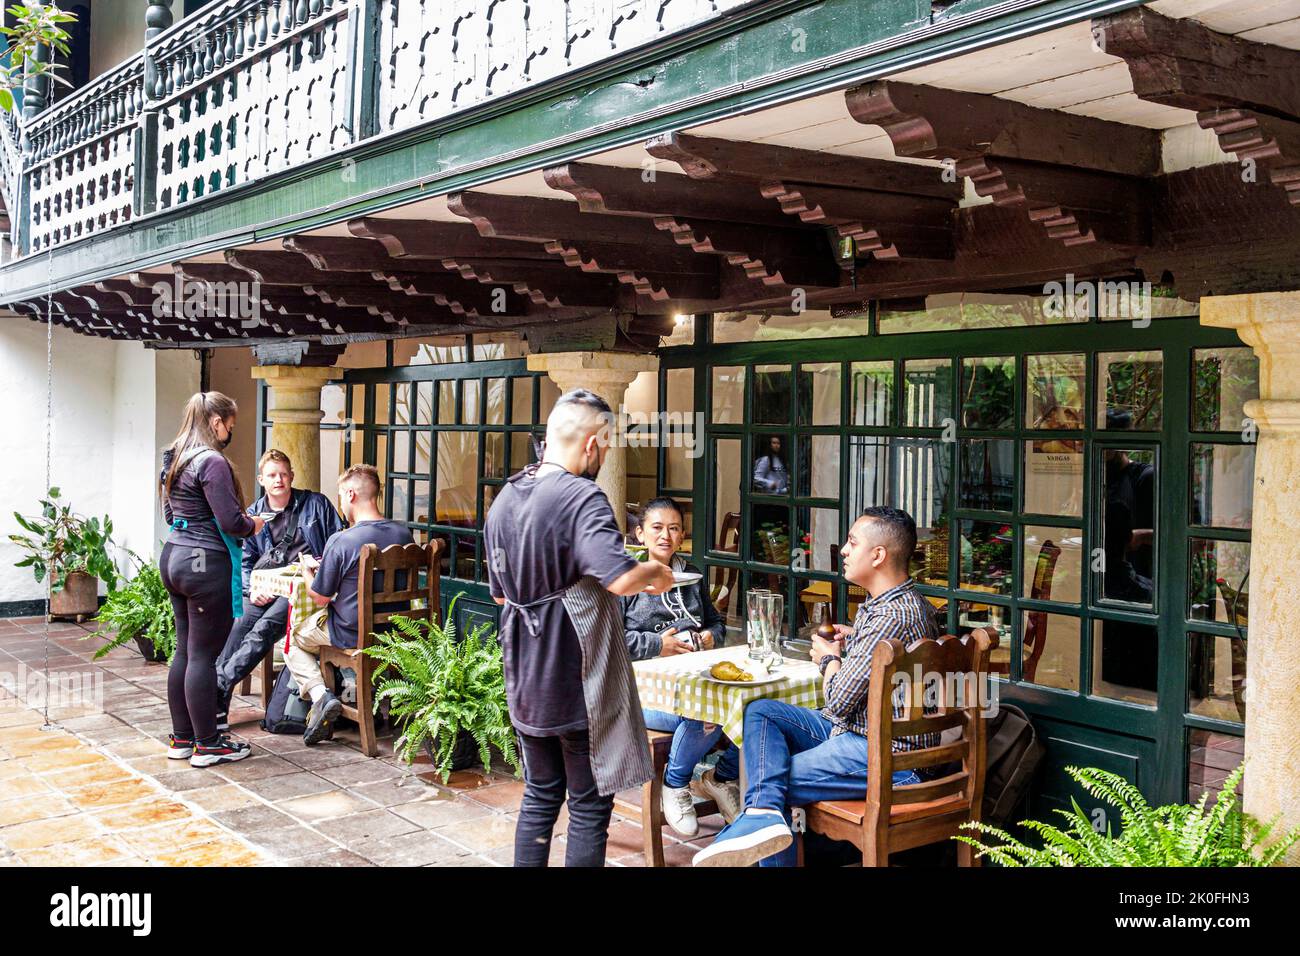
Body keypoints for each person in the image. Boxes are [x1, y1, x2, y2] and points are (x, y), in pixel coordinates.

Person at [484, 388, 675, 867]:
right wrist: (656, 573)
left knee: (541, 793)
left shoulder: (505, 496)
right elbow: (623, 578)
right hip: (576, 677)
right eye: (606, 446)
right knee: (589, 804)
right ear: (592, 444)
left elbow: (501, 595)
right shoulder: (580, 496)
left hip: (525, 675)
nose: (604, 456)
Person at [693, 506, 940, 867]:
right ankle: (762, 818)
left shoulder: (889, 617)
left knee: (770, 781)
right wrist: (857, 641)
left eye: (852, 542)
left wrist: (828, 659)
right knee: (760, 710)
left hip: (889, 756)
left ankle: (760, 818)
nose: (843, 550)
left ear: (878, 555)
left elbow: (838, 701)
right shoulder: (905, 604)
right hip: (865, 734)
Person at [621, 497, 741, 836]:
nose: (665, 536)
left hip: (692, 681)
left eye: (674, 528)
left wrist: (707, 637)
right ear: (640, 534)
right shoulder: (625, 579)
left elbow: (717, 623)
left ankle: (722, 777)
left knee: (748, 704)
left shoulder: (691, 575)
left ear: (682, 534)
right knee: (705, 712)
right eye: (656, 528)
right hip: (639, 696)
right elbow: (611, 639)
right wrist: (660, 645)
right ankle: (676, 784)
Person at [159, 391, 265, 768]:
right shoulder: (211, 461)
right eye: (230, 425)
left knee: (185, 651)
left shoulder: (173, 457)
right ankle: (208, 744)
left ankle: (182, 739)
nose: (229, 431)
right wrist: (255, 523)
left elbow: (170, 515)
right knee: (204, 655)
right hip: (204, 561)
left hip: (174, 555)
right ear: (216, 421)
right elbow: (231, 523)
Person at [213, 449, 345, 730]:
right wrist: (251, 590)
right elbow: (244, 561)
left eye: (284, 474)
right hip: (265, 589)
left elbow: (337, 544)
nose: (279, 480)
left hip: (302, 592)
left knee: (265, 628)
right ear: (262, 479)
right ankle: (218, 705)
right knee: (240, 625)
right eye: (272, 475)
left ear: (292, 476)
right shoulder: (251, 515)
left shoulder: (316, 505)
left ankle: (218, 686)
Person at [294, 464, 414, 745]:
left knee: (294, 639)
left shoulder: (342, 540)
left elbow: (321, 596)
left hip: (352, 634)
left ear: (350, 494)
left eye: (340, 495)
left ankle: (321, 696)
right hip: (398, 632)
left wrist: (307, 571)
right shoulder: (404, 536)